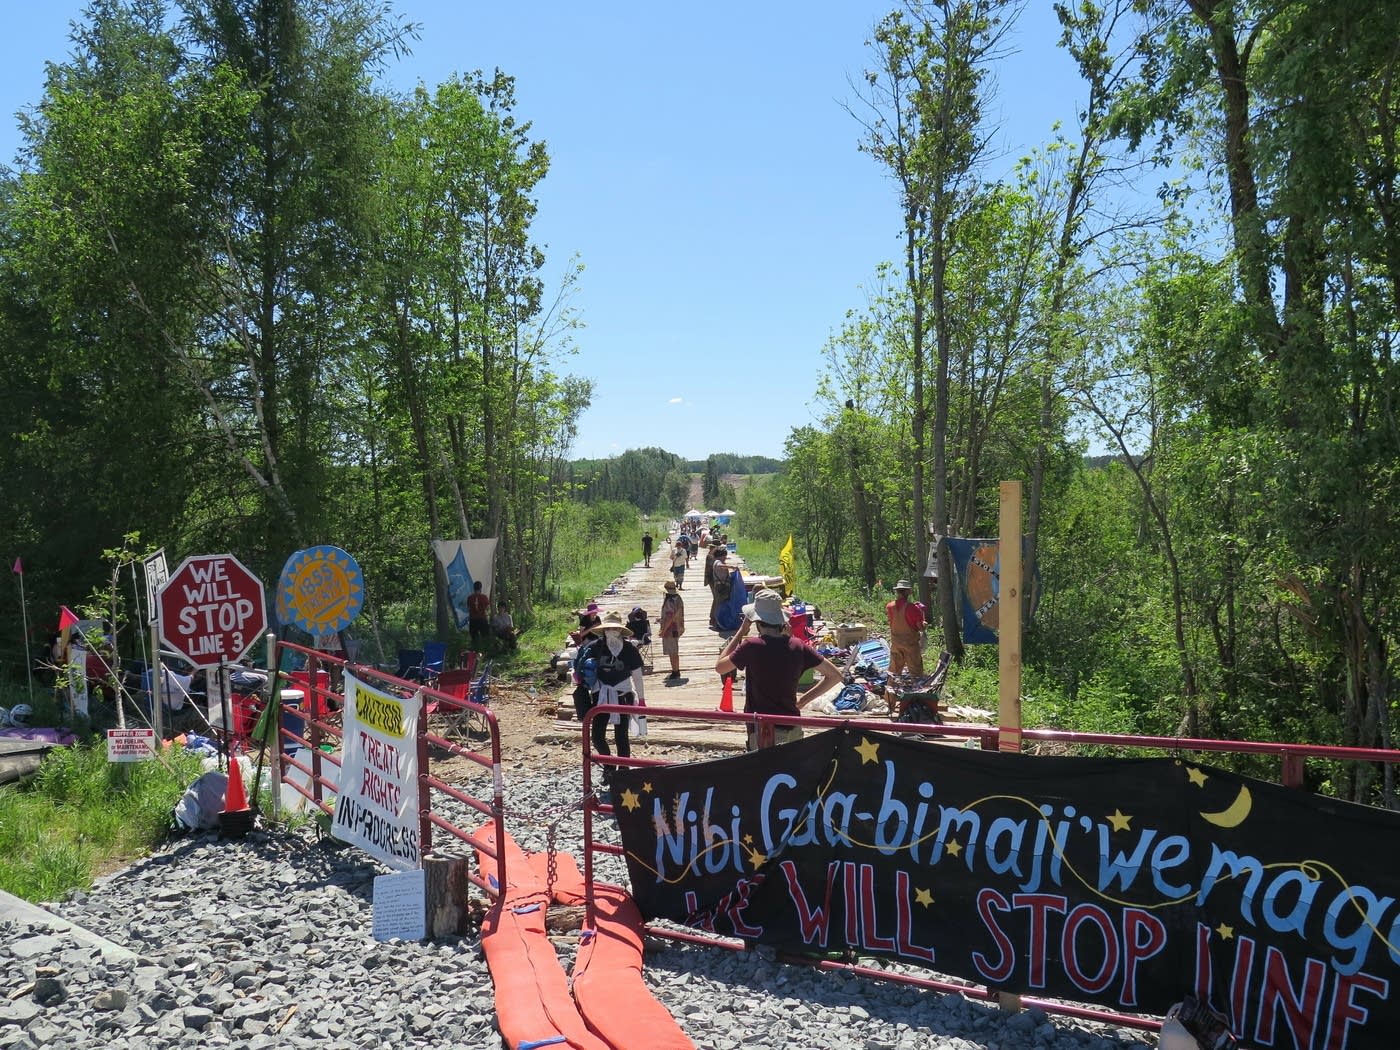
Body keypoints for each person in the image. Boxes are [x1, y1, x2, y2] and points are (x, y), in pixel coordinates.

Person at [716, 589, 840, 750]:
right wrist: (802, 701)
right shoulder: (797, 646)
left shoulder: (752, 646)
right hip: (792, 723)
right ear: (781, 620)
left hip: (762, 727)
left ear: (756, 621)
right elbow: (835, 676)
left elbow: (720, 667)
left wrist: (741, 632)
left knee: (765, 772)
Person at [572, 611, 646, 783]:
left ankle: (624, 770)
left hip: (623, 694)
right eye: (608, 628)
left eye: (615, 628)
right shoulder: (594, 647)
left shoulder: (629, 649)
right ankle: (609, 765)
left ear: (620, 630)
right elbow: (582, 668)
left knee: (622, 736)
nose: (611, 631)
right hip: (601, 695)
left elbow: (637, 675)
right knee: (597, 736)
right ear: (603, 630)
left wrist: (641, 699)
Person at [887, 579, 927, 677]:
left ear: (897, 591)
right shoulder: (912, 608)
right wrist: (924, 623)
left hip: (896, 643)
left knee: (894, 672)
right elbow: (920, 627)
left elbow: (893, 622)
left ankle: (890, 692)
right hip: (910, 644)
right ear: (907, 591)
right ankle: (917, 692)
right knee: (916, 672)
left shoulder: (889, 606)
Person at [658, 579, 685, 681]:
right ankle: (676, 669)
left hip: (670, 629)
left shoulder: (669, 601)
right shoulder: (678, 598)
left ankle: (675, 671)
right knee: (674, 650)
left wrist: (663, 630)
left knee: (672, 651)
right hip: (677, 628)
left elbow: (670, 617)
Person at [708, 546, 733, 630]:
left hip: (720, 587)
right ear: (721, 555)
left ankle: (714, 620)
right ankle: (717, 622)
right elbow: (721, 566)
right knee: (720, 605)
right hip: (721, 588)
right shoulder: (718, 562)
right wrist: (732, 567)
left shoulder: (717, 561)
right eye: (725, 556)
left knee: (718, 603)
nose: (725, 557)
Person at [466, 581, 491, 651]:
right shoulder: (484, 597)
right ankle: (486, 652)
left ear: (473, 588)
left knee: (474, 638)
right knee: (485, 637)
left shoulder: (470, 598)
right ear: (480, 588)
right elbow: (488, 608)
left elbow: (468, 608)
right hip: (482, 619)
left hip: (473, 620)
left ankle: (475, 653)